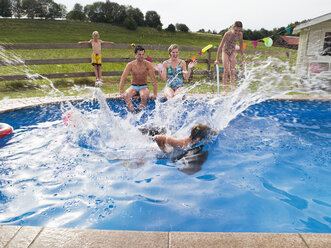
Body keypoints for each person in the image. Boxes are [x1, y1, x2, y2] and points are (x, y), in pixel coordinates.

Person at [119, 45, 158, 112]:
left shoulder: (148, 64)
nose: (141, 56)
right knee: (126, 95)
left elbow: (153, 79)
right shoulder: (130, 65)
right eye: (139, 54)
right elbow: (123, 78)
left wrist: (155, 94)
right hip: (133, 86)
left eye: (143, 54)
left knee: (143, 96)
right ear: (135, 55)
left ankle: (139, 112)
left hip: (144, 86)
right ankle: (133, 112)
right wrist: (121, 92)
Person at [215, 21, 245, 95]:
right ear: (233, 28)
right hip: (225, 51)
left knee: (232, 71)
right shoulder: (228, 34)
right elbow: (220, 46)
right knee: (226, 70)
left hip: (232, 51)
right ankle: (224, 90)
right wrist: (217, 59)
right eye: (236, 30)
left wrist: (242, 59)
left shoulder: (240, 35)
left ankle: (232, 89)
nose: (237, 32)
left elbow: (241, 47)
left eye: (239, 30)